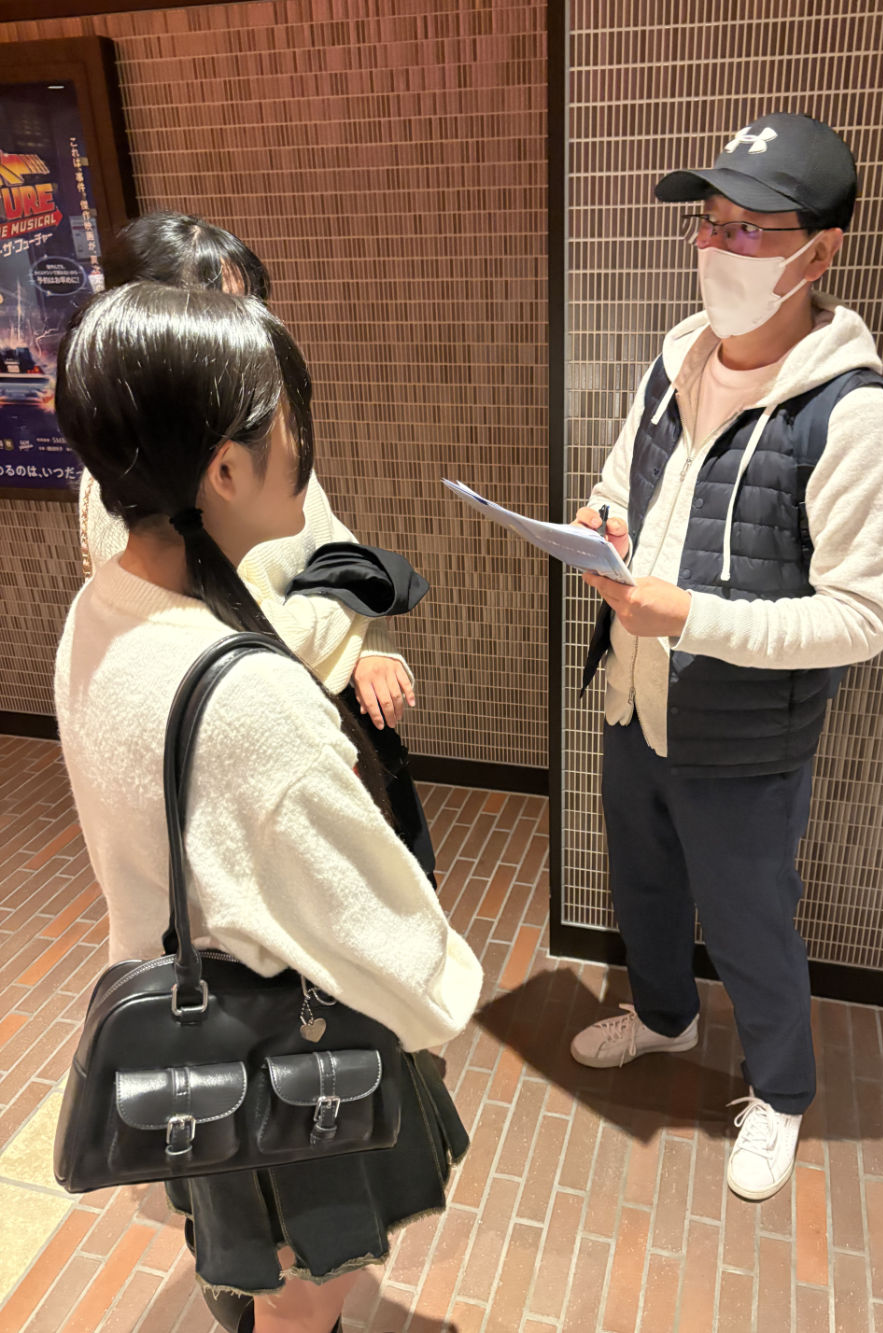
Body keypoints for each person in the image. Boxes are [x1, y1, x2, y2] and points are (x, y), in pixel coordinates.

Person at [53, 282, 483, 1333]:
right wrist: (442, 999)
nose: (301, 443)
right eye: (286, 420)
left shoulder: (99, 611)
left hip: (187, 1038)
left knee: (260, 1278)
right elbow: (377, 930)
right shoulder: (252, 699)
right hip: (284, 1073)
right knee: (304, 1296)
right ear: (225, 470)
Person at [569, 114, 883, 1201]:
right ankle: (665, 1017)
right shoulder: (675, 358)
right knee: (645, 885)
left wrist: (692, 617)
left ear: (822, 252)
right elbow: (623, 480)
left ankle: (782, 1093)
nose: (717, 247)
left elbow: (860, 617)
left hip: (745, 736)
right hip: (636, 698)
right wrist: (601, 520)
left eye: (751, 229)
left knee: (751, 919)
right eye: (710, 223)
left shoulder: (852, 416)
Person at [79, 212, 436, 881]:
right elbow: (229, 650)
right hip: (265, 755)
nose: (253, 333)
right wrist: (348, 617)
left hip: (332, 720)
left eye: (254, 308)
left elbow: (336, 553)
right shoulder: (133, 490)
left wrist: (368, 646)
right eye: (224, 311)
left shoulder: (253, 432)